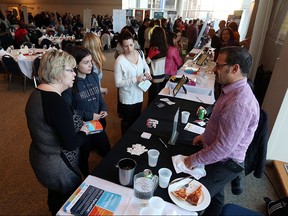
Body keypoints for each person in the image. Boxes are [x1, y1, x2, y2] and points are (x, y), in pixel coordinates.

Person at [184, 46, 260, 216]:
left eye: (219, 65)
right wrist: (205, 136)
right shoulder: (232, 89)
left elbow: (224, 148)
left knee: (193, 198)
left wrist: (195, 159)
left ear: (235, 68)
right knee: (216, 196)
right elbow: (221, 125)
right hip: (219, 155)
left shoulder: (239, 103)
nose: (214, 69)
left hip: (225, 162)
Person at [25, 50, 89, 215]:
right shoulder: (56, 103)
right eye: (70, 70)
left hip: (41, 158)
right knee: (70, 201)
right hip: (58, 167)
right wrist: (84, 131)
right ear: (57, 71)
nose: (74, 74)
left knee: (55, 194)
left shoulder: (36, 93)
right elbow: (71, 144)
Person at [62, 46, 111, 178]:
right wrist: (89, 115)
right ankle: (86, 175)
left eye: (91, 61)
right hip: (82, 126)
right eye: (86, 62)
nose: (91, 65)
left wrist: (104, 109)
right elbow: (70, 111)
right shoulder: (71, 84)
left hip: (96, 123)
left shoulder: (94, 76)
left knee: (106, 149)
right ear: (76, 65)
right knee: (84, 155)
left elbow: (99, 97)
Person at [114, 31, 151, 134]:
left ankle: (133, 137)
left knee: (137, 118)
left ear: (134, 42)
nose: (129, 49)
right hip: (127, 97)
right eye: (126, 46)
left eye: (131, 45)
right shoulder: (119, 61)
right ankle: (125, 140)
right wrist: (135, 79)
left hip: (139, 93)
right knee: (127, 121)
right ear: (121, 46)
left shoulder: (140, 53)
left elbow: (145, 66)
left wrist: (147, 73)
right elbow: (118, 83)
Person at [146, 26, 168, 104]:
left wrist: (148, 57)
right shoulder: (164, 47)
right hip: (162, 75)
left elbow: (147, 62)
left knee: (152, 97)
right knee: (159, 96)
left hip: (154, 76)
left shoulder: (153, 48)